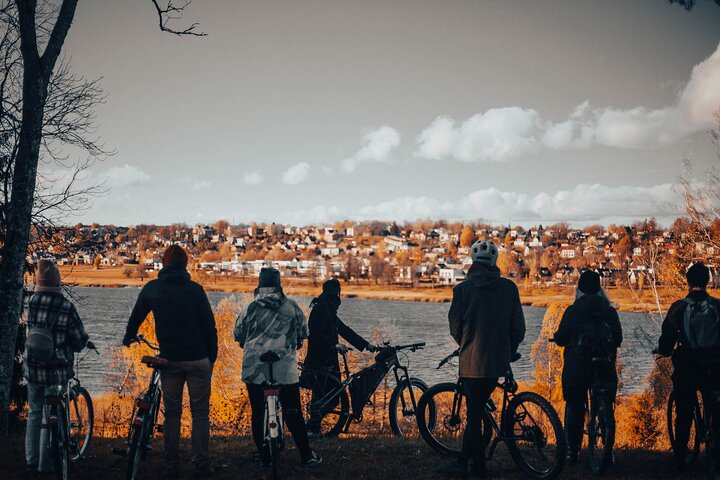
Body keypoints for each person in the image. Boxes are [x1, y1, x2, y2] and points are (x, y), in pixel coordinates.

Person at [123, 245, 217, 478]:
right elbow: (209, 327)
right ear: (185, 265)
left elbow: (136, 317)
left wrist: (128, 337)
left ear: (163, 264)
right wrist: (211, 358)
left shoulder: (152, 288)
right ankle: (201, 462)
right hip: (197, 359)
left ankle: (171, 463)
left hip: (169, 361)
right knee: (200, 413)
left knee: (172, 414)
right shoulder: (195, 290)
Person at [442, 239, 526, 478]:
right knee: (478, 409)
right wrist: (510, 349)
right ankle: (463, 459)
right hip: (499, 360)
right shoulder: (509, 289)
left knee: (474, 415)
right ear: (494, 260)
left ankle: (477, 468)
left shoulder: (461, 290)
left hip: (472, 362)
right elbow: (518, 327)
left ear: (472, 259)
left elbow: (455, 326)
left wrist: (465, 344)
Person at [234, 267, 322, 467]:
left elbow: (238, 334)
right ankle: (307, 455)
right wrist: (296, 342)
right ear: (279, 285)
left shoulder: (250, 308)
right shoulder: (292, 307)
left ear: (259, 285)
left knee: (257, 413)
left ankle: (264, 457)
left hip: (254, 369)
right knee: (293, 411)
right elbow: (304, 332)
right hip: (284, 369)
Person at [24, 259, 90, 474]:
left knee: (34, 412)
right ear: (57, 282)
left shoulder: (31, 302)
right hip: (57, 370)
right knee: (49, 414)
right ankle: (45, 465)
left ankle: (31, 461)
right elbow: (79, 339)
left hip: (33, 367)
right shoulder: (66, 307)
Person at [553, 270, 622, 466]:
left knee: (574, 407)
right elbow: (618, 339)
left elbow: (561, 338)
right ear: (599, 288)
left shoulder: (573, 311)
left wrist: (560, 339)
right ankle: (609, 451)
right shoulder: (609, 311)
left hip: (578, 367)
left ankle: (572, 453)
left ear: (579, 289)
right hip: (604, 366)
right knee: (607, 405)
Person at [658, 262, 720, 471]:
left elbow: (667, 339)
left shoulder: (679, 307)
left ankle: (680, 457)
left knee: (684, 412)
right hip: (715, 367)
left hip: (688, 367)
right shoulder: (717, 306)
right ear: (707, 281)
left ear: (688, 281)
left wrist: (665, 351)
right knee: (715, 401)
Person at [303, 278, 377, 435]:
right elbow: (315, 334)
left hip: (326, 360)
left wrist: (366, 345)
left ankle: (313, 428)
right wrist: (334, 345)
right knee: (330, 397)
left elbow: (344, 330)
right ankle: (311, 427)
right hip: (320, 360)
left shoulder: (327, 308)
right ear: (336, 293)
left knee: (323, 397)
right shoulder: (321, 309)